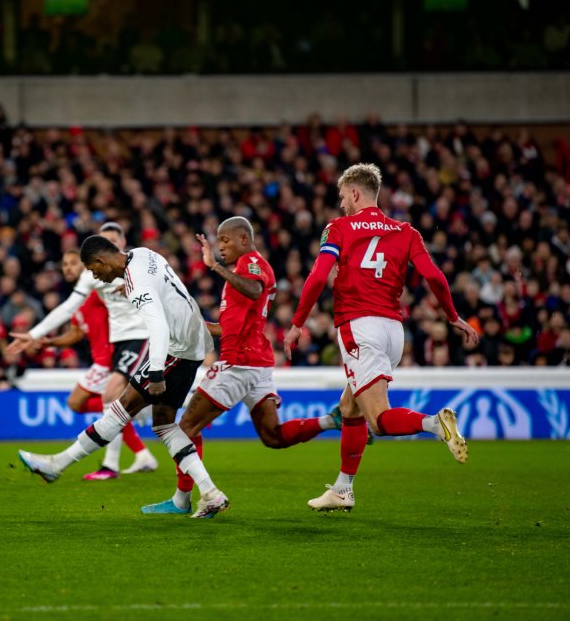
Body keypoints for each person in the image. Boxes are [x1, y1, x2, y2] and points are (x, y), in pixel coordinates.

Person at [284, 163, 478, 512]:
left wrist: (298, 322)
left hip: (359, 328)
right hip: (392, 332)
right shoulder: (407, 232)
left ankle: (435, 424)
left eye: (343, 197)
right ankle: (343, 490)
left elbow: (316, 278)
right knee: (349, 407)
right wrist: (453, 316)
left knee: (378, 419)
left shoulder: (338, 228)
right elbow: (434, 276)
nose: (341, 204)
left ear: (356, 194)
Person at [142, 217, 344, 515]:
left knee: (183, 429)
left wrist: (215, 267)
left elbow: (253, 289)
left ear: (244, 240)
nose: (220, 246)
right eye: (218, 240)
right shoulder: (242, 273)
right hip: (257, 363)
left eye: (226, 240)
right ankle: (332, 421)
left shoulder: (251, 264)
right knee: (272, 436)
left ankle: (187, 500)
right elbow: (226, 328)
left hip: (238, 362)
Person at [18, 236, 230, 519]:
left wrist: (155, 372)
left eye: (94, 271)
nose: (96, 278)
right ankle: (210, 493)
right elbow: (173, 291)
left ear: (100, 261)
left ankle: (56, 464)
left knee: (119, 409)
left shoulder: (136, 285)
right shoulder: (144, 254)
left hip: (173, 350)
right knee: (165, 425)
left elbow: (157, 326)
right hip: (193, 347)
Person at [8, 222, 158, 479]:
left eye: (113, 240)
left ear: (122, 243)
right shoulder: (92, 276)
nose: (109, 245)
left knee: (111, 395)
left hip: (141, 336)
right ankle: (142, 422)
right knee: (122, 403)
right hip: (120, 341)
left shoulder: (139, 263)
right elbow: (67, 308)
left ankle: (109, 465)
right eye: (104, 241)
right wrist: (34, 334)